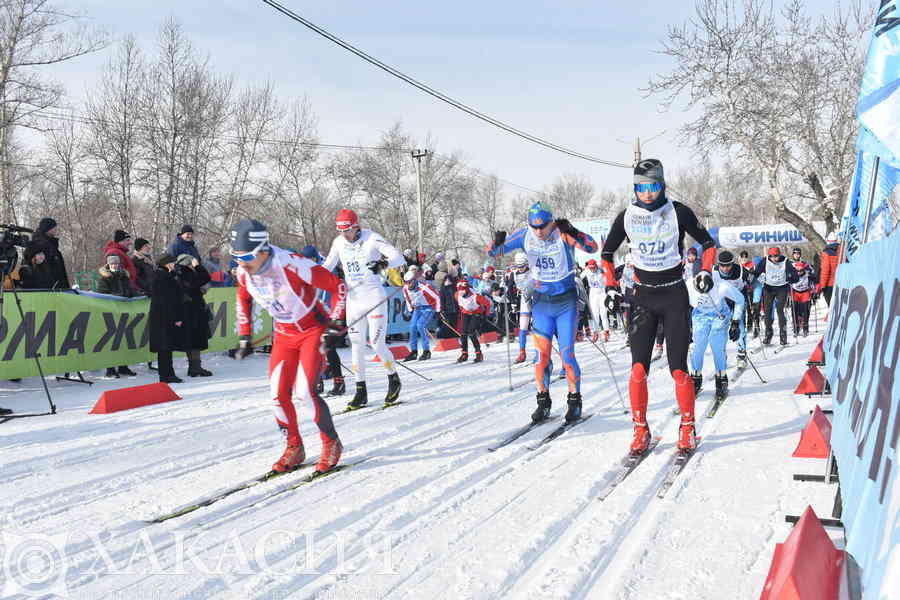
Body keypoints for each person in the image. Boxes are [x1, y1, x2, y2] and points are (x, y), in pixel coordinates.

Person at [600, 158, 716, 455]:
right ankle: (640, 429)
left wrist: (705, 270)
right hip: (642, 298)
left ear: (662, 185)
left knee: (679, 370)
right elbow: (607, 253)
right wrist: (611, 285)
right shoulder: (627, 216)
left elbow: (708, 244)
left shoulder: (678, 212)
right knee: (638, 369)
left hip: (674, 296)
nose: (647, 193)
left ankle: (688, 426)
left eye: (652, 186)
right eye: (641, 188)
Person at [231, 219, 346, 474]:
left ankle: (331, 443)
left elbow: (337, 286)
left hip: (312, 330)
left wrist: (336, 323)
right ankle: (294, 446)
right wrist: (245, 336)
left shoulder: (291, 263)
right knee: (277, 394)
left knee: (305, 392)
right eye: (235, 257)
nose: (242, 263)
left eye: (247, 256)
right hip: (283, 334)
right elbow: (242, 297)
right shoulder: (243, 271)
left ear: (263, 249)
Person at [489, 200, 598, 424]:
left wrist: (574, 231)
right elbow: (494, 253)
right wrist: (496, 241)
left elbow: (592, 247)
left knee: (567, 356)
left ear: (551, 222)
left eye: (543, 226)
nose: (538, 231)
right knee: (541, 358)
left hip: (565, 302)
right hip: (541, 304)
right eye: (534, 226)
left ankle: (574, 400)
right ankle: (543, 401)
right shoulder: (524, 235)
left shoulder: (562, 234)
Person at [323, 208, 405, 410]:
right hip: (354, 300)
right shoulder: (339, 242)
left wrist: (382, 264)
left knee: (377, 344)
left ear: (356, 226)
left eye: (348, 230)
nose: (345, 235)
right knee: (356, 345)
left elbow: (398, 258)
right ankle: (361, 391)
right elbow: (327, 266)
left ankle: (393, 379)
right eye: (341, 231)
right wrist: (307, 276)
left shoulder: (372, 238)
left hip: (374, 297)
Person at [689, 267, 745, 401]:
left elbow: (740, 299)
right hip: (700, 316)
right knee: (698, 347)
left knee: (717, 346)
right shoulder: (688, 285)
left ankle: (721, 379)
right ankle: (695, 378)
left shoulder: (722, 286)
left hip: (719, 315)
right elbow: (680, 303)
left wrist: (736, 322)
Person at [302, 244, 345, 396]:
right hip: (315, 313)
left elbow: (335, 291)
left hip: (331, 312)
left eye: (311, 259)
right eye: (306, 259)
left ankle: (339, 382)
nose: (309, 262)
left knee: (327, 347)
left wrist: (334, 315)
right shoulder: (304, 269)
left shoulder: (327, 268)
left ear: (316, 257)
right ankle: (317, 381)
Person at [97, 254, 138, 377]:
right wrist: (119, 295)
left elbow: (130, 290)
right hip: (110, 312)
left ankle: (123, 366)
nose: (115, 265)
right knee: (112, 341)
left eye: (116, 263)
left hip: (124, 311)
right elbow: (102, 294)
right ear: (108, 265)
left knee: (125, 339)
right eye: (112, 263)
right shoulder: (104, 279)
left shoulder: (124, 276)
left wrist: (136, 294)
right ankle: (110, 368)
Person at [173, 254, 213, 377]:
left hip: (190, 309)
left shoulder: (180, 273)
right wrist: (198, 266)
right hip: (192, 310)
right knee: (195, 339)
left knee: (192, 340)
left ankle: (194, 367)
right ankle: (195, 367)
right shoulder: (185, 273)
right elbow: (205, 278)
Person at [149, 254, 185, 384]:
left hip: (162, 317)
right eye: (172, 262)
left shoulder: (163, 275)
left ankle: (168, 374)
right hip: (164, 317)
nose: (174, 264)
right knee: (165, 347)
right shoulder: (163, 277)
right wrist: (176, 317)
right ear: (166, 263)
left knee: (166, 347)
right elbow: (168, 300)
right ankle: (166, 375)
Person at [753, 247, 799, 346]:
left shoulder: (786, 261)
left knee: (780, 310)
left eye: (776, 256)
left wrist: (791, 278)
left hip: (782, 288)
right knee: (768, 312)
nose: (774, 258)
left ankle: (783, 336)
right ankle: (768, 334)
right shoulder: (765, 261)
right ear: (769, 256)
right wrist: (758, 278)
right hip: (768, 289)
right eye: (772, 256)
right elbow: (756, 273)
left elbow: (795, 276)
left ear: (779, 255)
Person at [715, 250, 753, 367]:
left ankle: (741, 355)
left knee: (739, 326)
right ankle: (722, 356)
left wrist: (755, 299)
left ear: (732, 263)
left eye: (728, 265)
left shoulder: (741, 271)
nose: (725, 268)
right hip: (722, 303)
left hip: (738, 302)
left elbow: (756, 283)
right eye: (722, 265)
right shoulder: (713, 272)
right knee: (719, 330)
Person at [402, 269, 440, 361]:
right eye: (406, 282)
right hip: (417, 308)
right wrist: (410, 310)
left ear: (414, 280)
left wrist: (438, 311)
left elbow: (437, 297)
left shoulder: (424, 287)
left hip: (428, 308)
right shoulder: (405, 288)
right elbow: (407, 299)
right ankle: (414, 352)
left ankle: (426, 351)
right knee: (412, 327)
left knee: (420, 325)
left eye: (409, 282)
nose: (408, 284)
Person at [23, 217, 69, 289]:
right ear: (47, 229)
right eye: (54, 228)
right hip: (46, 291)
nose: (56, 230)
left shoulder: (52, 246)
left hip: (58, 289)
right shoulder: (37, 246)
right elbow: (37, 270)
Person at [454, 279, 490, 363]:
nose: (461, 293)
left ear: (466, 289)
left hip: (476, 313)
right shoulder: (456, 295)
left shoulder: (475, 296)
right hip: (466, 313)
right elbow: (460, 305)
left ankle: (478, 353)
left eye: (463, 290)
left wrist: (485, 315)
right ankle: (464, 353)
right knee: (463, 333)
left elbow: (487, 303)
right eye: (460, 291)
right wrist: (463, 311)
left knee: (471, 332)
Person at [510, 252, 533, 363]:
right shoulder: (513, 274)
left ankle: (540, 353)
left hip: (536, 299)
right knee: (522, 327)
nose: (520, 269)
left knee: (538, 328)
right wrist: (513, 301)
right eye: (518, 266)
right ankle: (522, 353)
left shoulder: (533, 272)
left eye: (522, 266)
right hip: (524, 300)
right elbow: (510, 288)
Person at [789, 248, 817, 337]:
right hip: (795, 291)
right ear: (793, 255)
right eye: (795, 254)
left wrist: (811, 275)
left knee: (806, 310)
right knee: (795, 310)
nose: (797, 255)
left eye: (798, 254)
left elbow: (813, 273)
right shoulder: (790, 264)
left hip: (805, 291)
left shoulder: (805, 264)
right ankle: (796, 328)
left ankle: (805, 328)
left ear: (800, 254)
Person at [583, 258, 611, 343]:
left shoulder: (601, 270)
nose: (592, 269)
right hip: (593, 294)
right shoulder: (587, 271)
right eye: (590, 268)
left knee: (603, 314)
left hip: (602, 293)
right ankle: (595, 332)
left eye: (593, 268)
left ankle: (606, 332)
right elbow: (578, 278)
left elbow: (609, 275)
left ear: (596, 266)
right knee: (595, 315)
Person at [817, 231, 839, 306]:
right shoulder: (841, 250)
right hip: (841, 282)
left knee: (831, 307)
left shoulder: (826, 253)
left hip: (830, 284)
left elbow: (825, 270)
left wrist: (822, 285)